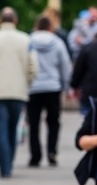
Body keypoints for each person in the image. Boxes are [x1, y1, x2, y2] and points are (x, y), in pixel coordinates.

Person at [0, 7, 38, 178]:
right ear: (16, 21)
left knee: (0, 129)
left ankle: (5, 168)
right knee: (12, 128)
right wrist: (26, 81)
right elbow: (34, 67)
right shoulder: (26, 40)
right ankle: (9, 162)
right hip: (18, 91)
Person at [28, 15, 72, 167]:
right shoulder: (58, 42)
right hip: (53, 86)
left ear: (36, 26)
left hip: (33, 87)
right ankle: (52, 151)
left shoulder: (29, 41)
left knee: (33, 124)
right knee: (53, 122)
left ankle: (35, 156)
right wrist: (67, 86)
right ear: (51, 27)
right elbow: (65, 65)